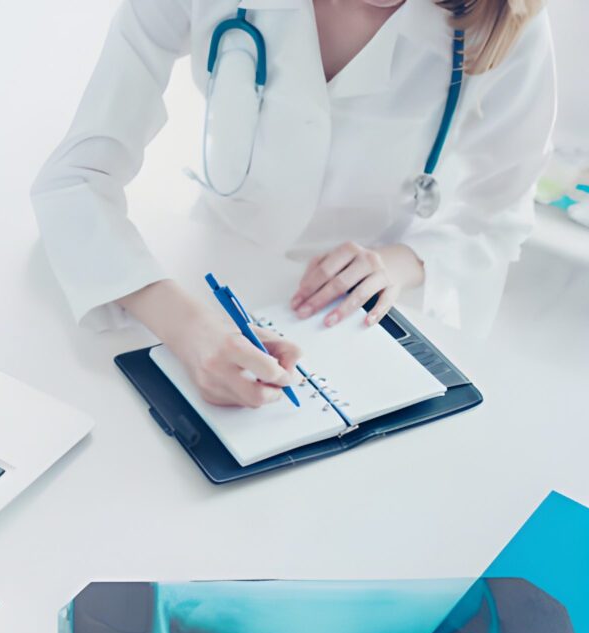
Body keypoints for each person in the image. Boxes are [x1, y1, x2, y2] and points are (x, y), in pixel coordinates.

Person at [31, 0, 555, 408]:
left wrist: (402, 262)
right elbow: (77, 177)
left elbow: (499, 216)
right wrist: (185, 327)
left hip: (367, 320)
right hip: (209, 278)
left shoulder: (506, 20)